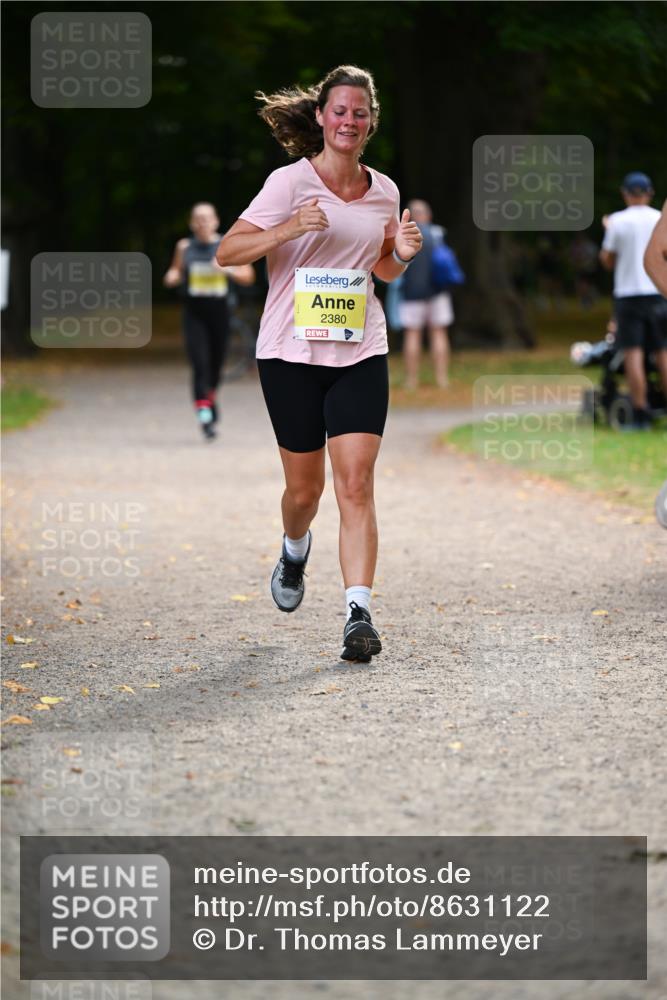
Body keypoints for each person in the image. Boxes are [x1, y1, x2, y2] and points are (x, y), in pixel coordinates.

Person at [216, 65, 422, 661]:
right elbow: (229, 251)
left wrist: (402, 255)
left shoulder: (385, 192)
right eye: (340, 111)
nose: (349, 121)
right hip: (291, 354)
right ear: (321, 117)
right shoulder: (288, 183)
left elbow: (381, 266)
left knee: (355, 484)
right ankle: (293, 547)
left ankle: (359, 613)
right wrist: (287, 228)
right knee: (304, 492)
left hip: (360, 349)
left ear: (371, 122)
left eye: (360, 112)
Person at [164, 203, 255, 439]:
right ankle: (205, 416)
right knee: (200, 364)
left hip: (220, 313)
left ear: (215, 221)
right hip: (194, 314)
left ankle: (209, 399)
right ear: (191, 223)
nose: (202, 223)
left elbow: (248, 276)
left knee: (215, 366)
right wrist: (172, 276)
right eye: (198, 219)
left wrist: (228, 271)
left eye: (207, 218)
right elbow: (174, 271)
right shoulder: (184, 246)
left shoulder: (227, 244)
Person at [600, 173, 667, 429]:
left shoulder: (617, 221)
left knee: (633, 353)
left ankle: (640, 414)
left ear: (625, 194)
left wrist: (608, 231)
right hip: (658, 291)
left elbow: (607, 260)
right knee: (663, 352)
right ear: (650, 193)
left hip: (629, 295)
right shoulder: (660, 219)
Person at [398, 199, 453, 390]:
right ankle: (442, 379)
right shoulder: (437, 233)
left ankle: (411, 380)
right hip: (438, 292)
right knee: (439, 333)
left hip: (411, 293)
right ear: (428, 215)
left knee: (412, 335)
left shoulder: (402, 236)